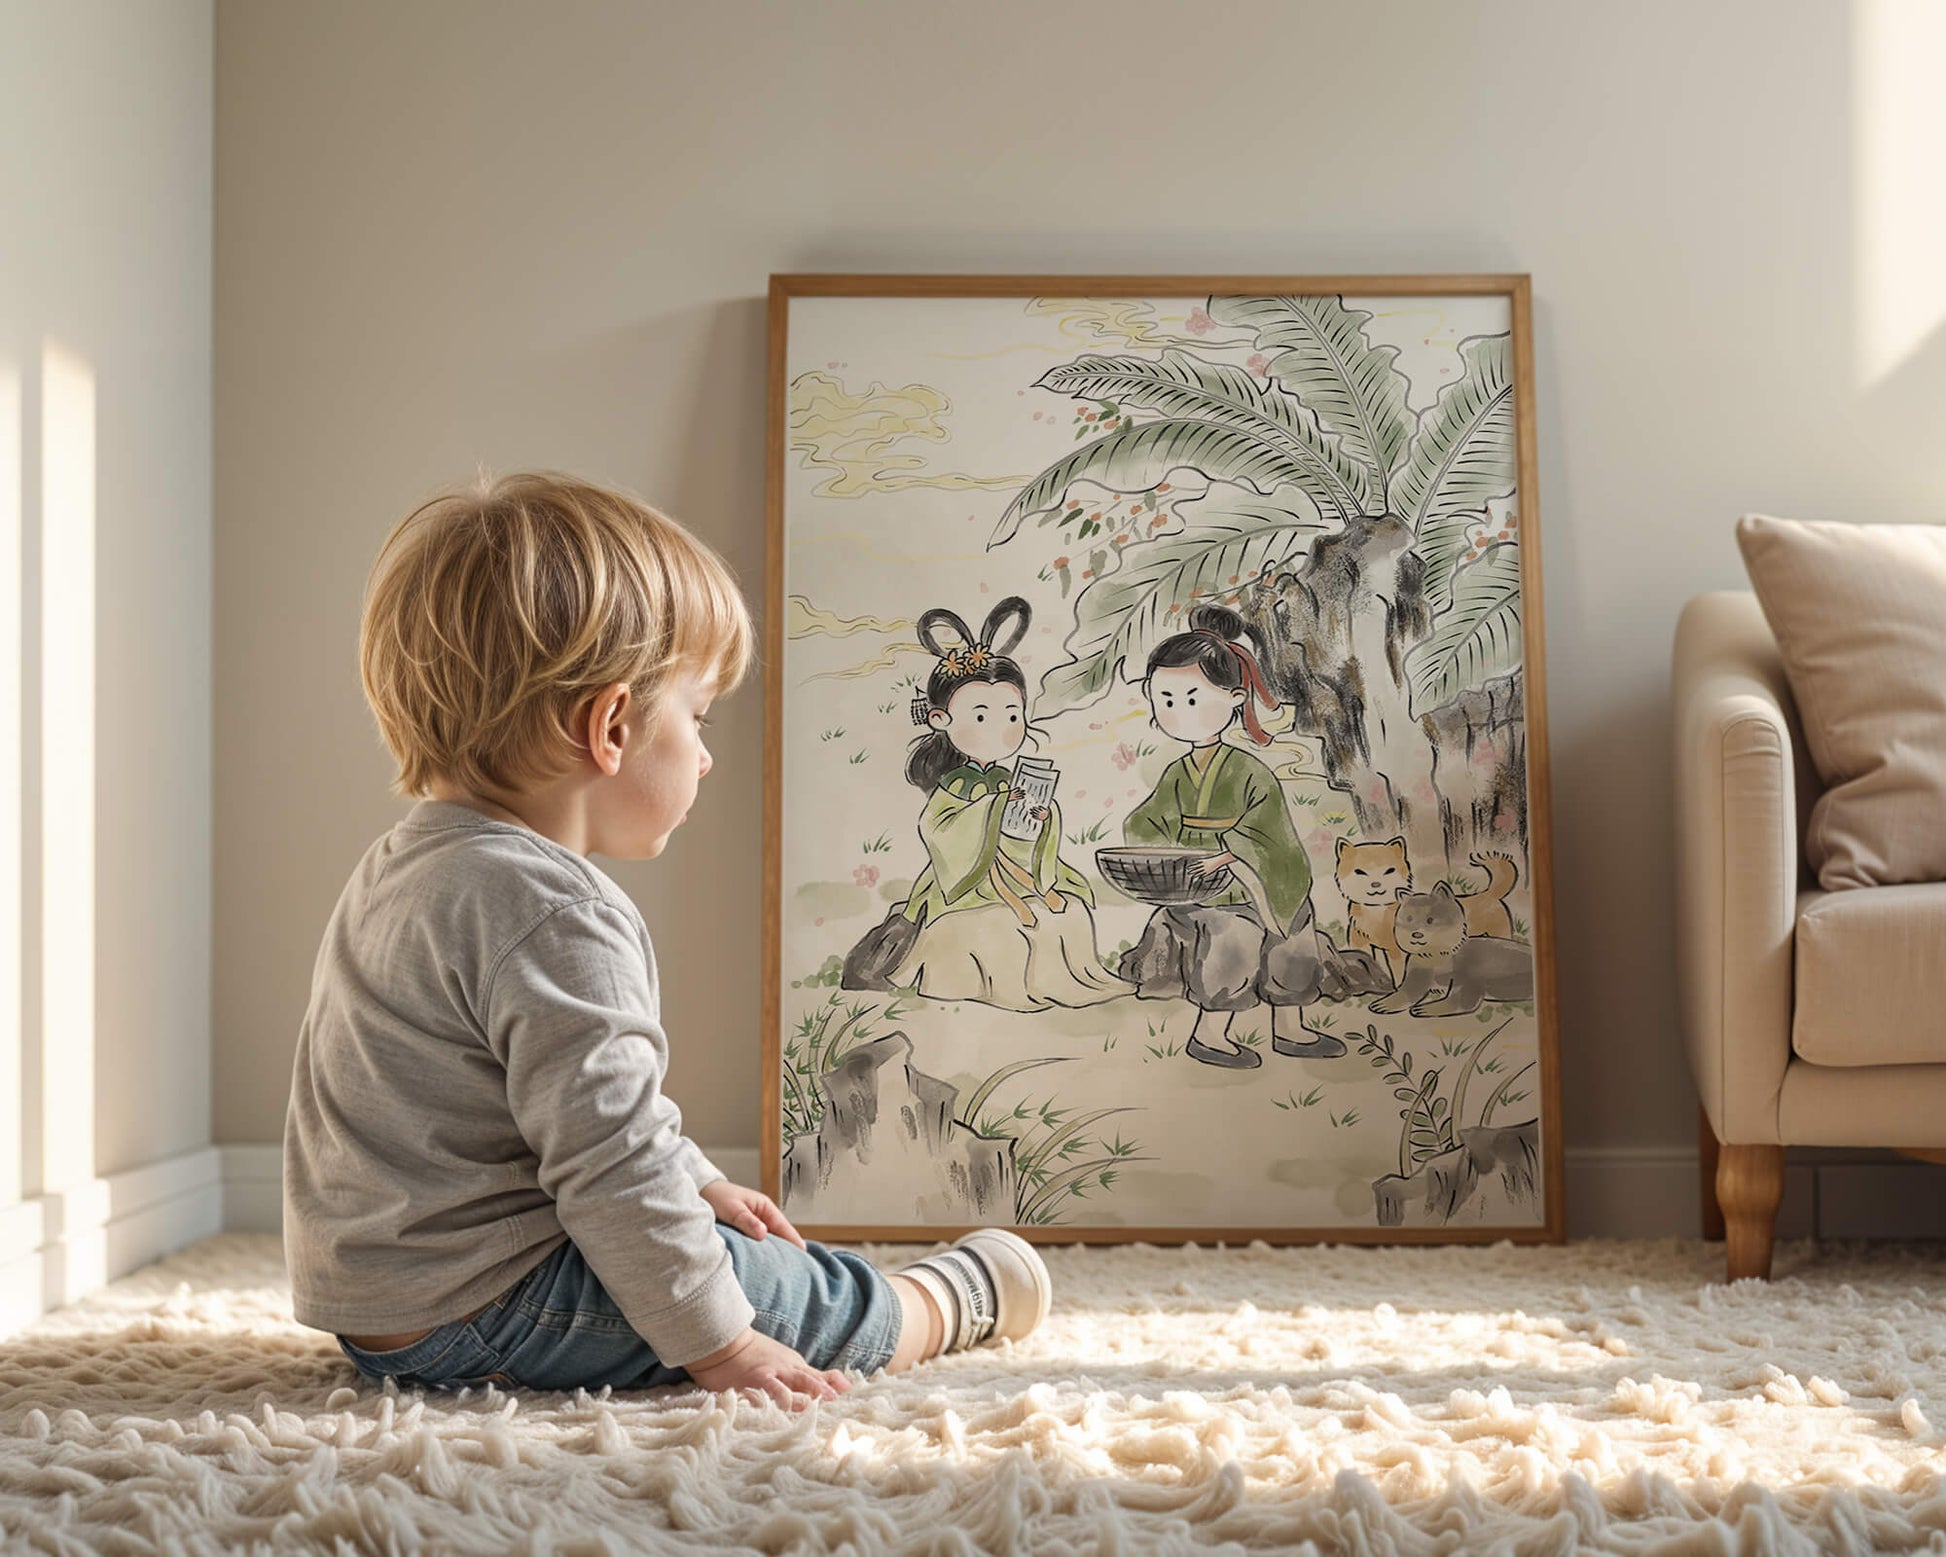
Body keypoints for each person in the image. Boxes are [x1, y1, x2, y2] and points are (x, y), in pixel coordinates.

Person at [284, 472, 1050, 1405]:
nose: (707, 753)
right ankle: (937, 1301)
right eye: (698, 716)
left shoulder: (400, 868)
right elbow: (609, 1158)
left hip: (376, 1313)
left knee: (693, 1234)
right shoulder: (557, 911)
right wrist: (722, 1345)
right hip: (493, 1299)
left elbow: (568, 1109)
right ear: (610, 726)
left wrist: (695, 1179)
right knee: (772, 1289)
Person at [1118, 604, 1382, 1069]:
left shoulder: (1249, 771)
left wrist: (1230, 854)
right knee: (1232, 936)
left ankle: (1291, 1028)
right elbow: (1146, 822)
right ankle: (1210, 1034)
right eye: (1165, 700)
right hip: (1201, 887)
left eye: (1192, 699)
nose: (1177, 713)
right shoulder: (1178, 773)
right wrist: (1169, 852)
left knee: (1294, 931)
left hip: (1256, 877)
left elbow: (1270, 833)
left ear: (1236, 697)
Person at [842, 597, 1131, 1011]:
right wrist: (991, 810)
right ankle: (1009, 988)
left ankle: (1071, 982)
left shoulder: (1005, 779)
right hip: (964, 884)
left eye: (1012, 716)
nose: (1001, 728)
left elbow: (1020, 836)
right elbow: (938, 830)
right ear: (941, 720)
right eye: (981, 717)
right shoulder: (955, 784)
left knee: (1070, 913)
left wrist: (1040, 819)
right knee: (999, 926)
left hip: (1017, 875)